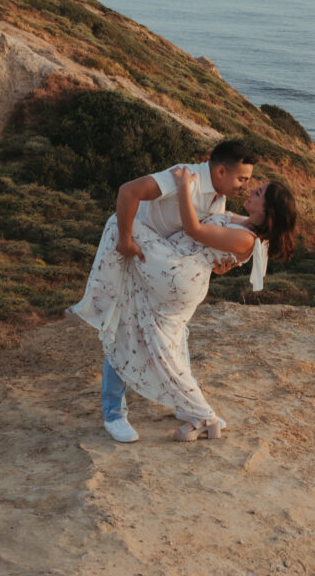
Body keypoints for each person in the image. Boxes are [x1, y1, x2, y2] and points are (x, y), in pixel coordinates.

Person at [69, 140, 297, 443]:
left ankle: (192, 413)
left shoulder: (211, 198)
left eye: (254, 189)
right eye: (244, 180)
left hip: (175, 274)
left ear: (265, 209)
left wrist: (126, 239)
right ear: (220, 171)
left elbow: (198, 232)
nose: (247, 187)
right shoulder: (203, 190)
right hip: (174, 273)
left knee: (117, 238)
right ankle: (189, 409)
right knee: (168, 343)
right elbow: (130, 192)